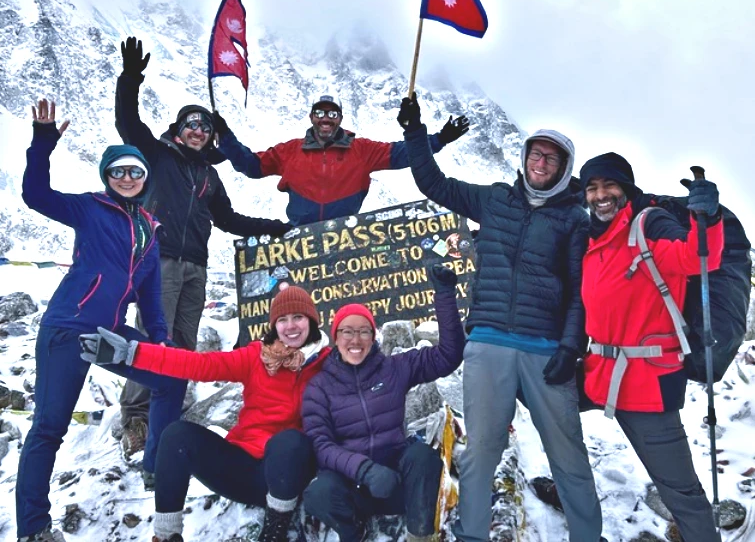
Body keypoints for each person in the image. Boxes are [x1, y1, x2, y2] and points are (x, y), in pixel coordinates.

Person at [396, 95, 602, 542]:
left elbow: (579, 290)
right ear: (525, 155)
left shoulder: (573, 219)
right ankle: (473, 535)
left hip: (546, 349)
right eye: (536, 152)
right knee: (481, 451)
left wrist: (571, 347)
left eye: (552, 157)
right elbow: (435, 184)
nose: (541, 162)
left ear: (564, 166)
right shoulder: (494, 199)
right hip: (488, 342)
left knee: (568, 454)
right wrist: (415, 133)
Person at [114, 36, 292, 462]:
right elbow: (127, 124)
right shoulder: (158, 156)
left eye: (204, 126)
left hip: (196, 265)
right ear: (178, 130)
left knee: (184, 341)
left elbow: (228, 220)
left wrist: (271, 228)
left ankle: (168, 406)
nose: (197, 130)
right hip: (160, 261)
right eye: (190, 124)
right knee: (154, 339)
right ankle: (136, 416)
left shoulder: (211, 177)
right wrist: (131, 78)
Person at [17, 99, 187, 542]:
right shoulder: (88, 208)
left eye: (135, 172)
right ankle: (33, 527)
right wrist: (42, 143)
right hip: (68, 329)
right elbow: (36, 195)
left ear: (144, 179)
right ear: (107, 177)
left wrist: (162, 340)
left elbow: (149, 296)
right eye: (119, 172)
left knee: (169, 378)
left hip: (111, 333)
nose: (127, 178)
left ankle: (155, 467)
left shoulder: (150, 230)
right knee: (49, 428)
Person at [79, 286, 329, 542]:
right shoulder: (257, 356)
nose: (290, 326)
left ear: (311, 320)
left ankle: (275, 531)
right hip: (243, 469)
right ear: (274, 326)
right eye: (282, 320)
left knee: (290, 440)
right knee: (177, 434)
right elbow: (200, 365)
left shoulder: (328, 364)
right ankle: (166, 535)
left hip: (290, 473)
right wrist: (134, 353)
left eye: (297, 317)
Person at [579, 152, 724, 542]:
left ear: (626, 190)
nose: (600, 195)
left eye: (609, 185)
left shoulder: (648, 225)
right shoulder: (593, 237)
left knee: (681, 491)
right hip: (598, 375)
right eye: (592, 188)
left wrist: (706, 217)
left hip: (648, 386)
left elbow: (697, 258)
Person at [301, 264, 465, 542]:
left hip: (396, 482)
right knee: (318, 493)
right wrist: (364, 470)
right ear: (335, 337)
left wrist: (445, 296)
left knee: (423, 457)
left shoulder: (394, 368)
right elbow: (321, 445)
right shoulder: (319, 386)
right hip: (352, 486)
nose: (356, 340)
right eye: (346, 332)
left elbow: (449, 355)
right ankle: (353, 531)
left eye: (364, 331)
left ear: (374, 336)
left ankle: (420, 533)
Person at [215, 92, 470, 226]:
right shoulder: (289, 151)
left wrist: (441, 139)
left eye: (332, 113)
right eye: (320, 113)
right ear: (312, 117)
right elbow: (250, 166)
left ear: (340, 118)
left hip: (345, 237)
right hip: (300, 238)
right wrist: (224, 137)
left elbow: (406, 153)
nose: (326, 118)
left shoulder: (362, 150)